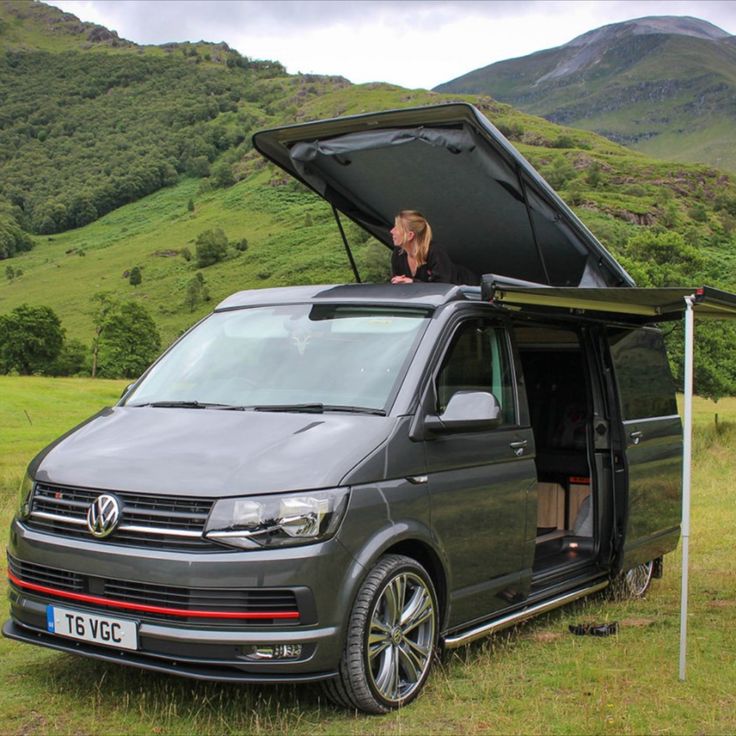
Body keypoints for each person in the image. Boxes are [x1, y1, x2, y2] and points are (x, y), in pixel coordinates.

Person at [389, 210, 478, 285]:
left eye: (396, 228)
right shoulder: (398, 254)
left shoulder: (435, 251)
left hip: (467, 289)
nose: (391, 231)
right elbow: (397, 284)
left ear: (410, 235)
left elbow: (442, 287)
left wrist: (413, 282)